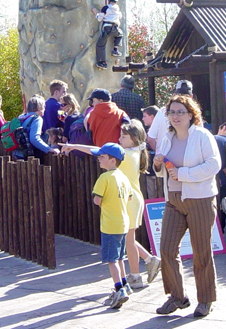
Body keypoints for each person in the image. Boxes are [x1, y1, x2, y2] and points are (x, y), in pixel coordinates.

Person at [61, 120, 161, 289]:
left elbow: (99, 151)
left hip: (128, 200)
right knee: (126, 237)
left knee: (128, 240)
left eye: (124, 136)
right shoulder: (134, 151)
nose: (119, 139)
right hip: (130, 198)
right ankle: (150, 260)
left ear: (135, 138)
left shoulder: (127, 155)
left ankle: (136, 276)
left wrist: (74, 146)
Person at [153, 95, 221, 318]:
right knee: (166, 250)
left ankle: (205, 300)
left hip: (200, 199)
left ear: (191, 115)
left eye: (180, 112)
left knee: (201, 252)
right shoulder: (167, 137)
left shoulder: (202, 135)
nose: (175, 116)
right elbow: (162, 170)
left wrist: (183, 174)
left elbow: (214, 165)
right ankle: (177, 297)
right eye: (172, 112)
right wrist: (157, 165)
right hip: (173, 199)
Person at [91, 143, 132, 309]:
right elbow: (129, 198)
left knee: (111, 259)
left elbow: (97, 200)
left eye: (102, 157)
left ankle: (118, 290)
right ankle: (125, 283)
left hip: (109, 225)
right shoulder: (123, 177)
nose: (99, 159)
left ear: (112, 160)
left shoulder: (104, 178)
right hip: (123, 223)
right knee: (120, 257)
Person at [147, 80, 194, 153]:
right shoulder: (196, 114)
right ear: (191, 96)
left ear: (174, 95)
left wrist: (160, 153)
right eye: (172, 113)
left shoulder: (162, 112)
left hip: (165, 160)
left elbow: (150, 138)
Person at [15, 95, 60, 161]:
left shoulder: (22, 117)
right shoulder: (36, 119)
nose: (44, 109)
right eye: (44, 107)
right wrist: (49, 149)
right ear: (39, 108)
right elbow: (34, 139)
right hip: (30, 157)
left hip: (18, 154)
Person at [92, 0, 123, 70]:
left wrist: (96, 13)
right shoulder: (118, 9)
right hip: (115, 28)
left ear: (109, 0)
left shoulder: (105, 8)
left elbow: (100, 19)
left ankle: (102, 62)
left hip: (107, 28)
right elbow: (120, 17)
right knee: (120, 35)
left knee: (100, 45)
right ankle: (115, 50)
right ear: (116, 1)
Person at [142, 106, 160, 199]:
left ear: (152, 117)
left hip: (156, 167)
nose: (143, 118)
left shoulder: (155, 131)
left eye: (145, 116)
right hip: (151, 169)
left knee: (154, 193)